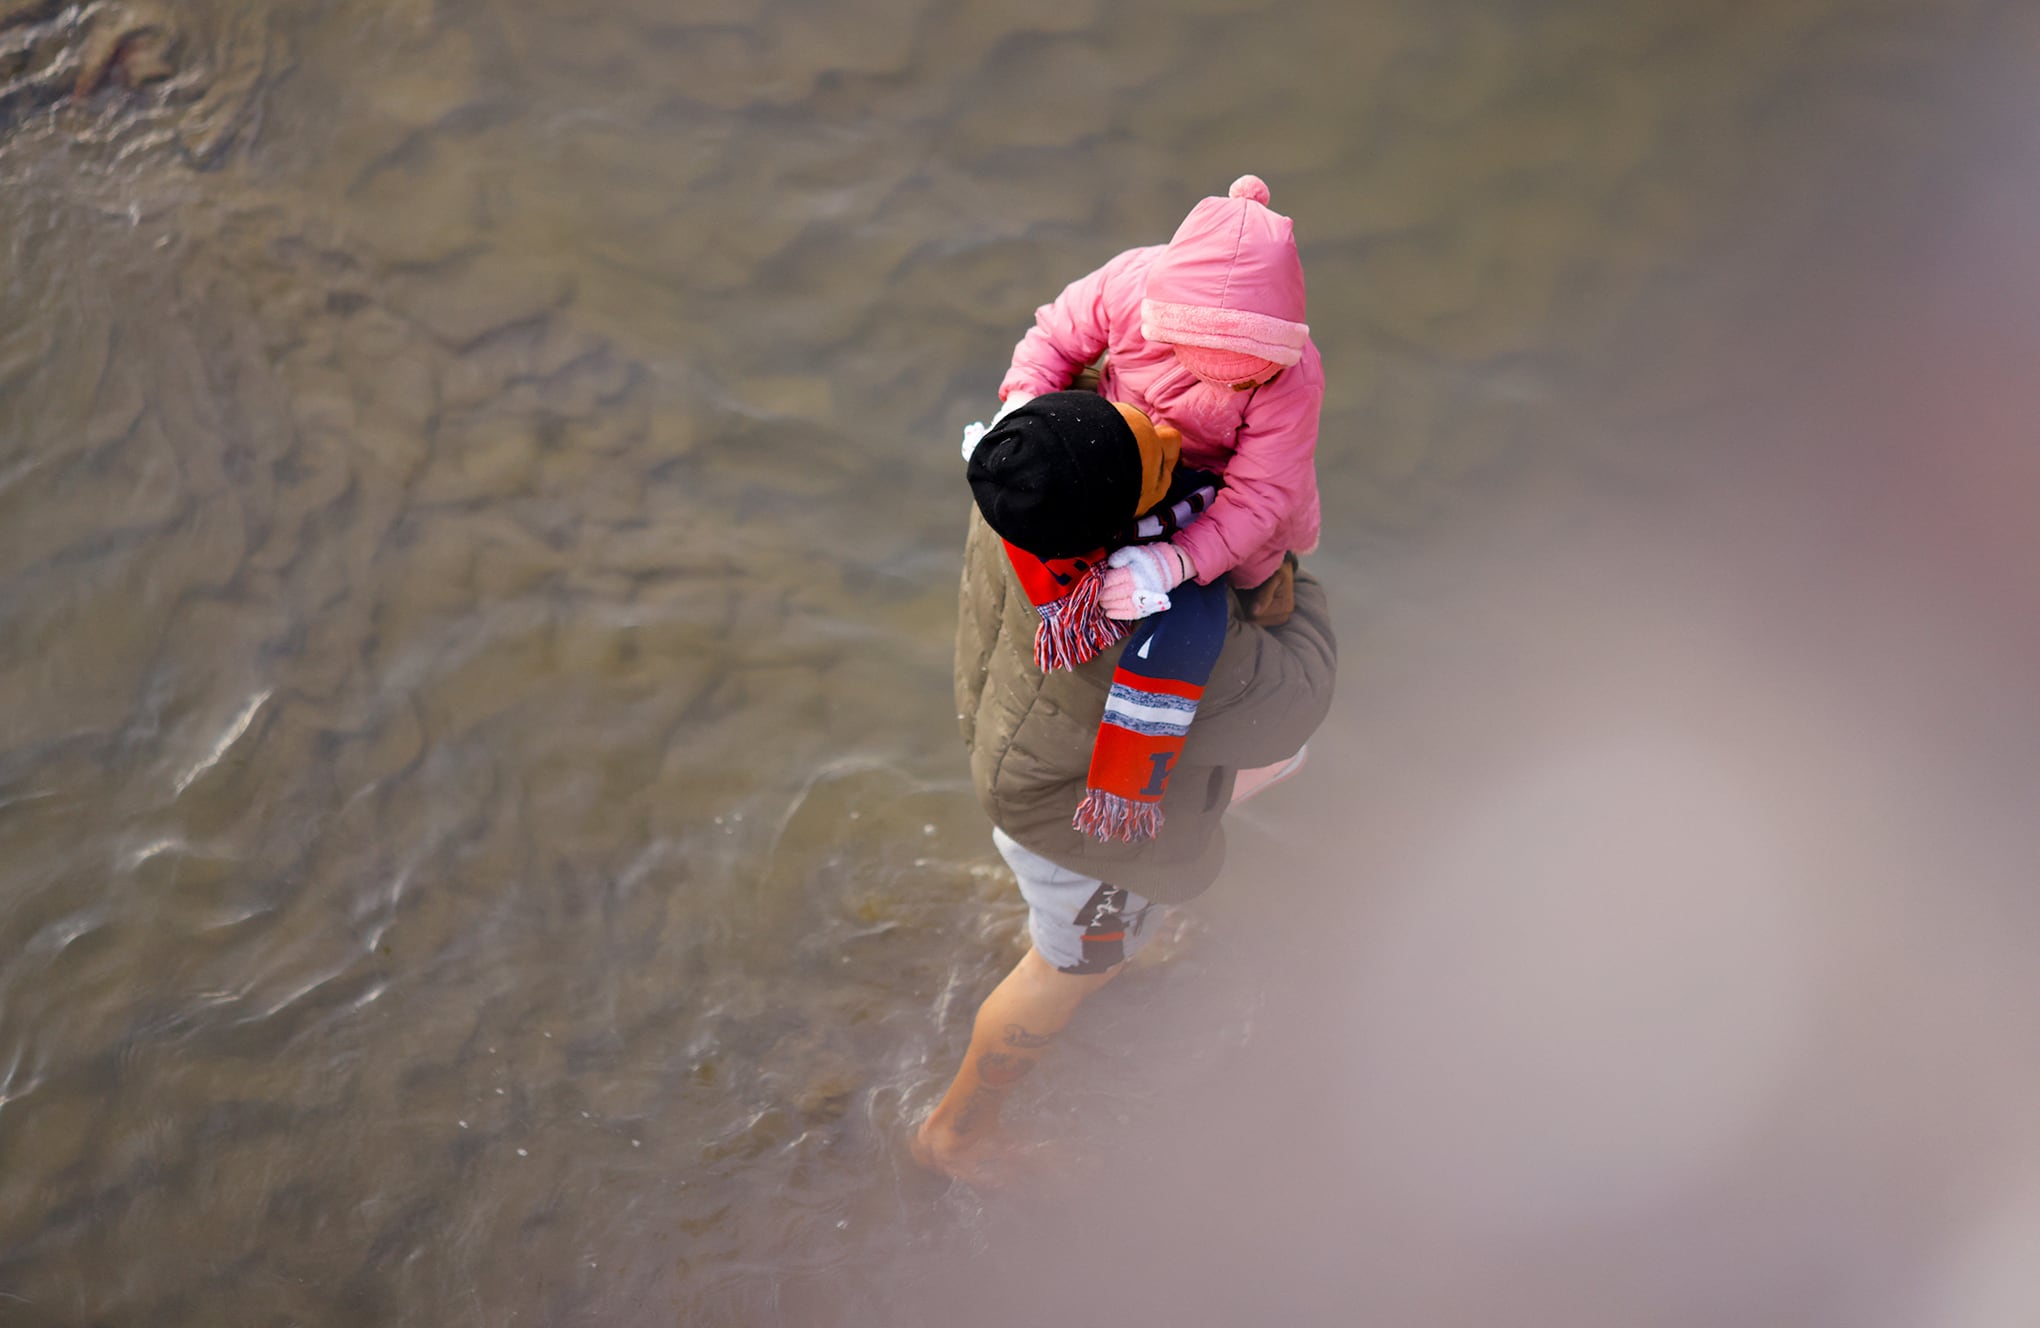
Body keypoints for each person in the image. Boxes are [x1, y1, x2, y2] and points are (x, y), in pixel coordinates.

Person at [913, 390, 1336, 1185]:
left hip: (1010, 743)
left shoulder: (1016, 483)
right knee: (1067, 969)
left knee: (1062, 917)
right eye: (1152, 452)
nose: (1168, 433)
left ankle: (1067, 930)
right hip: (1069, 818)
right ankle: (954, 1136)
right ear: (1121, 530)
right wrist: (1277, 563)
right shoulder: (1156, 629)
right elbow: (1295, 695)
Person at [969, 173, 1322, 629]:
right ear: (1163, 324)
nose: (1227, 387)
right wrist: (1022, 407)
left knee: (1254, 566)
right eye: (1206, 367)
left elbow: (1261, 495)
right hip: (1129, 451)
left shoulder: (1294, 378)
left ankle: (1266, 586)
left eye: (1245, 379)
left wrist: (1175, 562)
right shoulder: (1128, 286)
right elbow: (1055, 340)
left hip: (1217, 482)